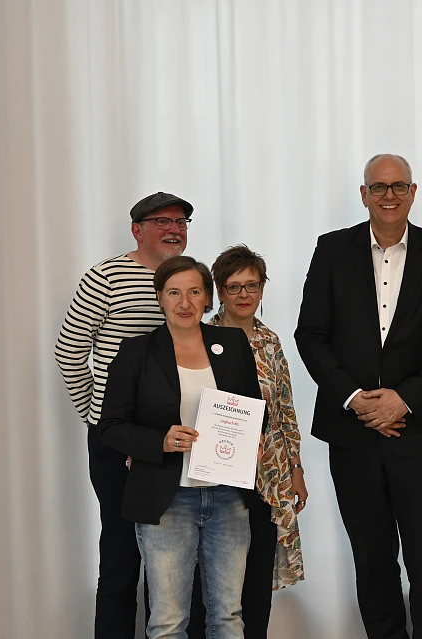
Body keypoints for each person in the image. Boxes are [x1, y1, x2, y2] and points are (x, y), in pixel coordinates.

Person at [295, 153, 422, 639]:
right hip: (352, 435)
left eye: (399, 186)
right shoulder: (332, 250)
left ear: (414, 192)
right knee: (372, 561)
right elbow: (310, 334)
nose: (389, 195)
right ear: (364, 194)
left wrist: (404, 399)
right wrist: (355, 398)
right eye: (379, 187)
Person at [98, 256, 267, 639]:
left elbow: (257, 410)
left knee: (228, 616)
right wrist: (159, 440)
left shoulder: (232, 343)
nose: (185, 302)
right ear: (160, 298)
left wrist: (252, 436)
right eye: (174, 292)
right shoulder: (135, 352)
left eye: (194, 292)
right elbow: (110, 425)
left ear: (208, 298)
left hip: (227, 497)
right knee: (169, 622)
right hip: (167, 498)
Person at [54, 191, 193, 638]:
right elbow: (70, 350)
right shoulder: (107, 277)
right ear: (138, 229)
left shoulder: (187, 278)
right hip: (119, 436)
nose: (174, 229)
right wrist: (98, 416)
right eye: (162, 221)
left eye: (181, 221)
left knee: (170, 556)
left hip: (175, 437)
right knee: (120, 552)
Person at [189, 244, 307, 638]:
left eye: (252, 285)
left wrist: (296, 469)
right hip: (216, 476)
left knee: (256, 581)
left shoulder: (270, 341)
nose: (244, 294)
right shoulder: (200, 338)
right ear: (218, 291)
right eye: (234, 286)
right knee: (212, 585)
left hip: (268, 477)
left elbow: (286, 409)